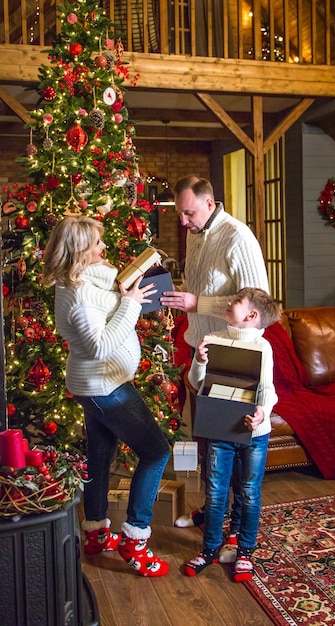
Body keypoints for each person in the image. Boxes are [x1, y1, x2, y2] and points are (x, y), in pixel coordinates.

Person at [42, 216, 171, 578]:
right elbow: (99, 347)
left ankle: (97, 532)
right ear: (81, 251)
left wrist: (125, 285)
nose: (103, 248)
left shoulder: (82, 280)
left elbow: (104, 290)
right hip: (105, 386)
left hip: (99, 385)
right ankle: (135, 539)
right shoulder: (78, 296)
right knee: (157, 450)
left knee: (100, 453)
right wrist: (129, 303)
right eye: (96, 244)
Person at [160, 175, 270, 533]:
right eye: (180, 214)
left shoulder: (238, 237)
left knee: (233, 443)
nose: (183, 222)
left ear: (210, 203)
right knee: (207, 443)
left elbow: (259, 304)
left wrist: (197, 302)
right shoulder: (195, 232)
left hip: (232, 355)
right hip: (201, 350)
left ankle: (237, 525)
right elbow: (202, 288)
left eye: (188, 213)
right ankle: (213, 510)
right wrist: (180, 295)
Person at [183, 287, 280, 582]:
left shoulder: (263, 348)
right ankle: (210, 549)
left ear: (251, 315)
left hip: (254, 432)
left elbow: (267, 389)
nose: (229, 303)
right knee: (214, 493)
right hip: (219, 429)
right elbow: (198, 384)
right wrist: (199, 360)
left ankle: (245, 552)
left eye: (236, 301)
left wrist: (263, 412)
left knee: (249, 493)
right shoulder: (213, 340)